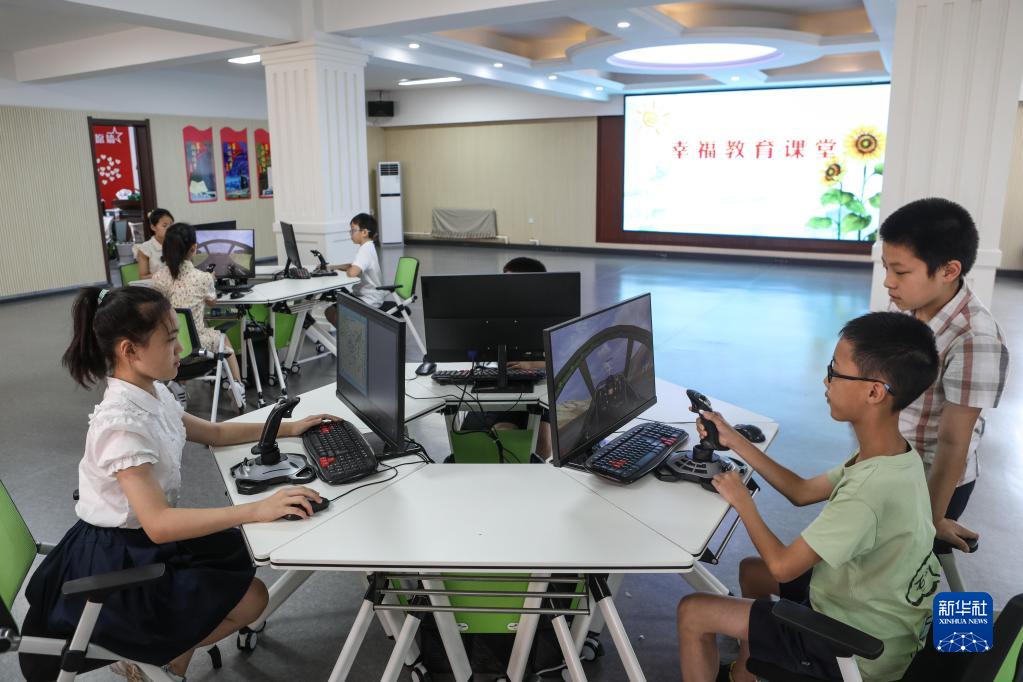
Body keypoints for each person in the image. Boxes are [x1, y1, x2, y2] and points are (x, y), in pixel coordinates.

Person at [20, 285, 337, 682]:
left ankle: (166, 662)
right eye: (170, 339)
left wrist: (287, 427)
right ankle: (157, 664)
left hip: (138, 543)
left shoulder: (151, 392)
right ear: (129, 351)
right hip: (118, 560)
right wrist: (256, 509)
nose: (181, 349)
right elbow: (158, 523)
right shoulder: (122, 426)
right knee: (253, 598)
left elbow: (213, 433)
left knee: (238, 556)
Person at [676, 312, 942, 682]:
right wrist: (733, 439)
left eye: (835, 371)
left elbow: (783, 567)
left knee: (692, 612)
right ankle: (745, 675)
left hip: (855, 650)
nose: (825, 380)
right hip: (872, 614)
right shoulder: (893, 456)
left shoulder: (868, 492)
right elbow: (801, 491)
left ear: (874, 392)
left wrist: (743, 501)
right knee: (752, 572)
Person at [879, 197, 1009, 553]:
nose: (888, 282)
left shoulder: (974, 338)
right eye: (886, 267)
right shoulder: (908, 305)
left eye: (900, 272)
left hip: (930, 482)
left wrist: (932, 519)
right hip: (891, 463)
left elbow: (953, 442)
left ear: (949, 271)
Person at [151, 223, 246, 406]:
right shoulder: (202, 278)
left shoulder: (158, 278)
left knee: (183, 336)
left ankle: (178, 385)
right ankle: (237, 385)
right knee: (223, 339)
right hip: (198, 346)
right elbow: (212, 302)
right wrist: (211, 279)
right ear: (194, 248)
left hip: (170, 345)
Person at [324, 213, 385, 327]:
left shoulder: (365, 251)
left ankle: (352, 333)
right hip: (366, 295)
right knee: (331, 310)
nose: (351, 233)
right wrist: (331, 267)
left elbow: (352, 272)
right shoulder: (368, 247)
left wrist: (348, 270)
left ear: (364, 232)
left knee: (331, 312)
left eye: (353, 230)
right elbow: (352, 266)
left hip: (368, 300)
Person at [133, 208, 174, 279]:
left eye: (171, 225)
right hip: (155, 284)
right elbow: (143, 277)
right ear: (153, 227)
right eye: (164, 226)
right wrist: (163, 275)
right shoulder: (145, 248)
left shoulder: (176, 243)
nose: (169, 229)